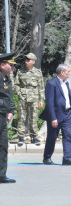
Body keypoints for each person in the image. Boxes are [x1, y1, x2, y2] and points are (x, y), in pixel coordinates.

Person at [40, 64, 71, 165]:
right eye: (68, 72)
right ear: (62, 72)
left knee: (68, 136)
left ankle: (67, 158)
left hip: (67, 114)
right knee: (52, 137)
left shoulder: (66, 83)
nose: (69, 74)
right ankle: (47, 157)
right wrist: (53, 118)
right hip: (56, 115)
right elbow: (49, 103)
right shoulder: (51, 84)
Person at [14, 53, 44, 145]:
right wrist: (19, 93)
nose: (26, 62)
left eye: (28, 60)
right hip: (23, 97)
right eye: (25, 60)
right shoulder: (20, 71)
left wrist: (41, 100)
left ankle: (34, 137)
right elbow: (15, 85)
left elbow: (41, 87)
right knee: (21, 117)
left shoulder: (38, 73)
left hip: (34, 98)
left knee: (34, 118)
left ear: (33, 62)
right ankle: (21, 137)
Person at [0, 52, 16, 183]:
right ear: (2, 65)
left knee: (3, 145)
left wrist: (11, 110)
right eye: (11, 65)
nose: (13, 68)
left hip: (3, 115)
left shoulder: (6, 78)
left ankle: (1, 175)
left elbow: (9, 96)